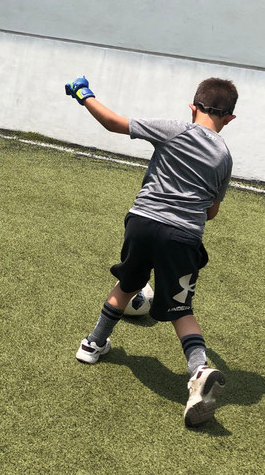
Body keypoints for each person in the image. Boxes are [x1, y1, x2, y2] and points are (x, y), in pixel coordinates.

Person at [65, 75, 238, 428]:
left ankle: (93, 345)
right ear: (230, 119)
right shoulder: (224, 157)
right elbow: (212, 211)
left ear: (193, 107)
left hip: (143, 222)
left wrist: (84, 94)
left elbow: (114, 123)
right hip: (184, 235)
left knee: (128, 283)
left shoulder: (174, 129)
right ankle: (199, 370)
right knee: (180, 308)